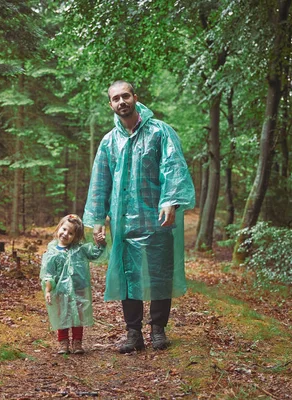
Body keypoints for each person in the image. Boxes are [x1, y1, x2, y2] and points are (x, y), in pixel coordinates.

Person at [83, 80, 195, 353]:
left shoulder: (160, 132)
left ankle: (158, 329)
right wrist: (98, 217)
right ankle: (133, 332)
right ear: (110, 104)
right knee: (127, 273)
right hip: (123, 220)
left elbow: (173, 166)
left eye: (125, 96)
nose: (121, 102)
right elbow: (100, 181)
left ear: (135, 97)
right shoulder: (109, 141)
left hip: (157, 218)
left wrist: (170, 201)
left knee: (159, 273)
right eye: (115, 98)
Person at [40, 214, 107, 354]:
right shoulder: (52, 252)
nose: (65, 234)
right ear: (59, 228)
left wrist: (100, 244)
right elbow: (48, 274)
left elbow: (94, 253)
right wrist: (48, 290)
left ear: (76, 237)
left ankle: (77, 342)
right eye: (64, 229)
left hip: (79, 288)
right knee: (62, 315)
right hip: (60, 290)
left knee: (79, 315)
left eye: (71, 233)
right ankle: (63, 343)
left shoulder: (80, 249)